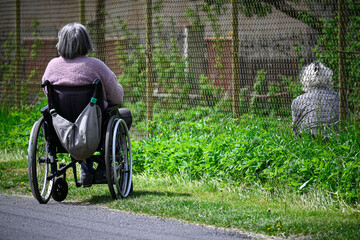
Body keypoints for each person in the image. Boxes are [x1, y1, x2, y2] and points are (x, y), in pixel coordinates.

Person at [42, 22, 124, 187]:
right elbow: (117, 97)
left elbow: (48, 93)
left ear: (61, 42)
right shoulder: (96, 65)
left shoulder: (52, 66)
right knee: (123, 114)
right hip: (93, 127)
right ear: (86, 42)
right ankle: (102, 167)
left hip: (62, 128)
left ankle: (85, 167)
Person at [291, 62, 339, 137]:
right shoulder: (338, 98)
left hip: (307, 141)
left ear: (305, 79)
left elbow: (295, 130)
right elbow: (346, 121)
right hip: (335, 139)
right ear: (328, 77)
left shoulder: (297, 101)